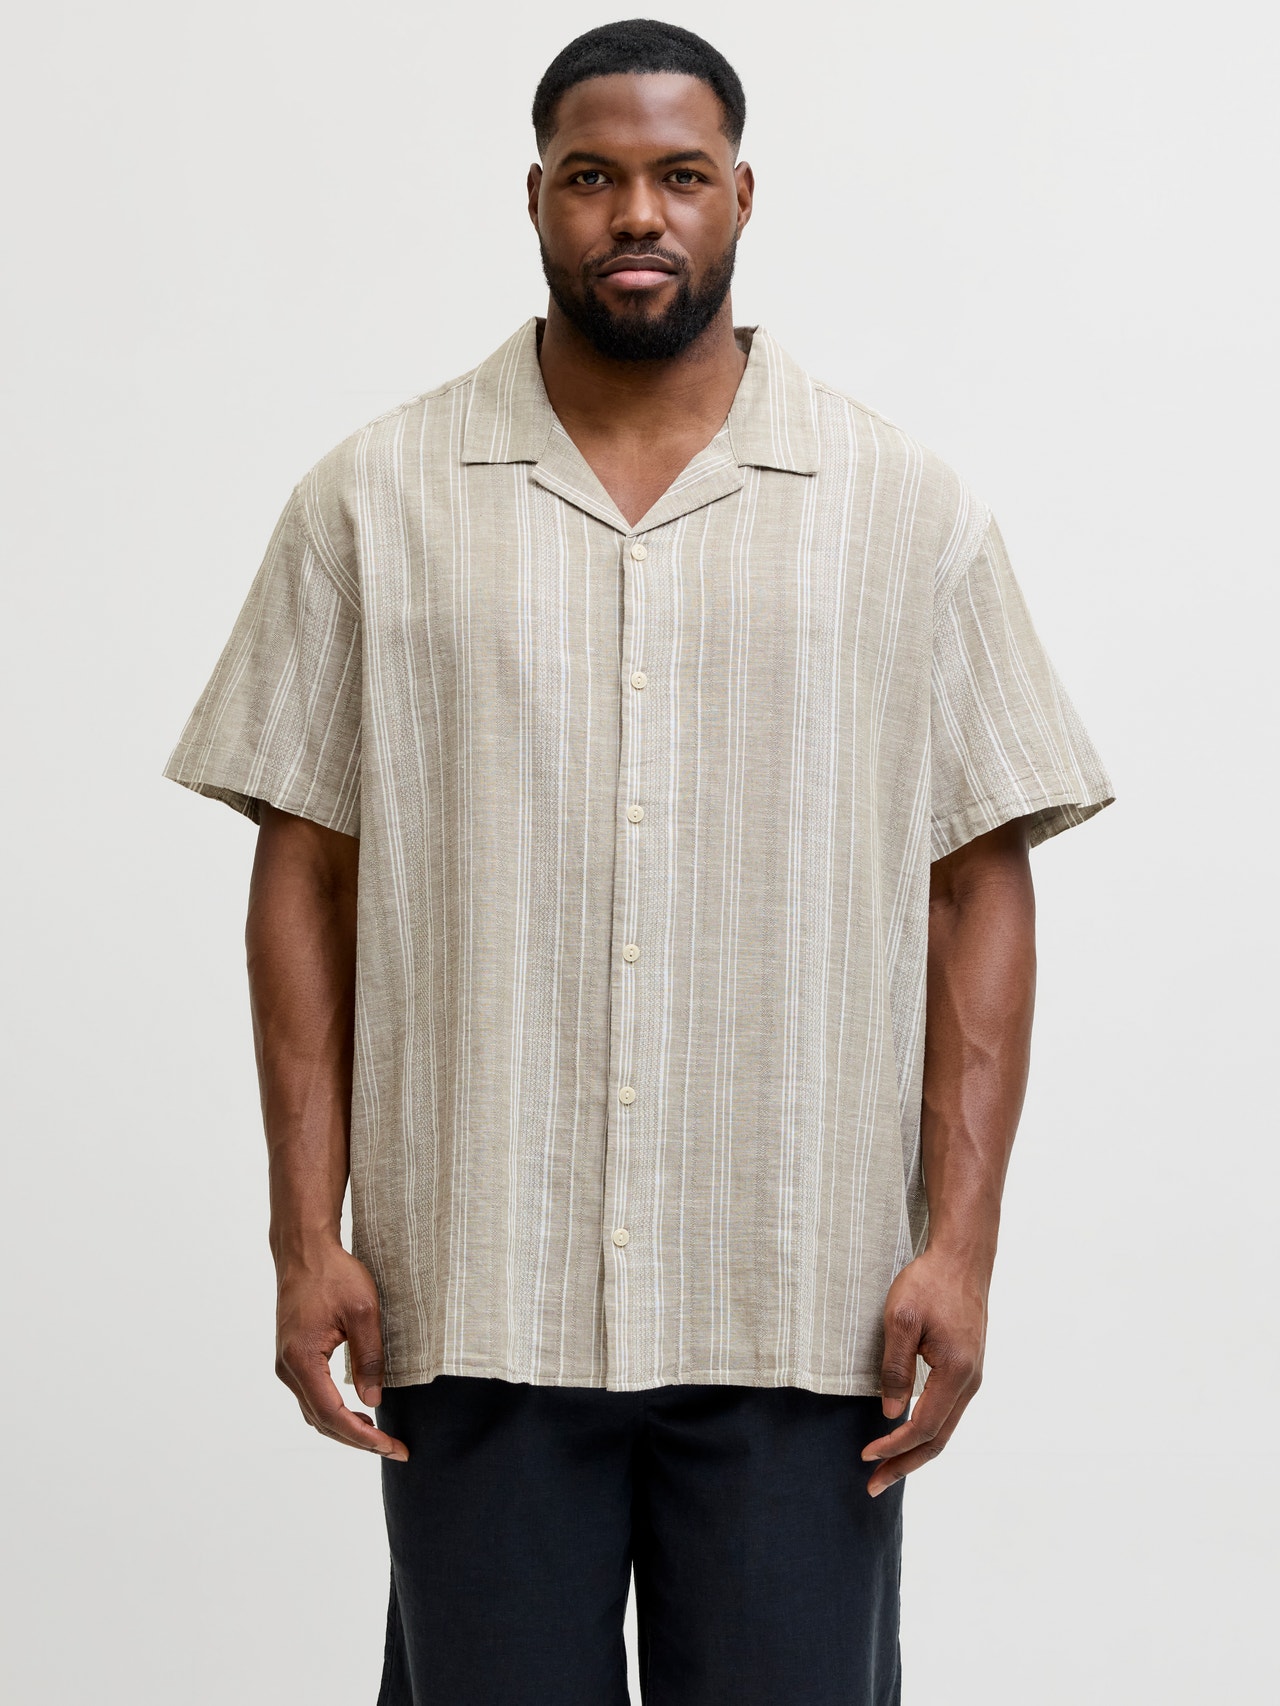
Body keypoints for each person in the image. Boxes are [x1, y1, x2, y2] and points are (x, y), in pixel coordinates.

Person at [163, 18, 1114, 1705]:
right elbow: (304, 871)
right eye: (593, 176)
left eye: (680, 175)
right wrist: (304, 1236)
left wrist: (960, 1248)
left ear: (743, 193)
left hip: (801, 1303)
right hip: (478, 1294)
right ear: (535, 196)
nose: (637, 214)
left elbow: (980, 880)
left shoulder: (903, 510)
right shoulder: (372, 500)